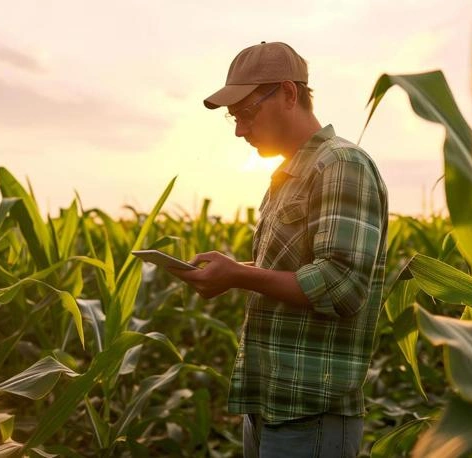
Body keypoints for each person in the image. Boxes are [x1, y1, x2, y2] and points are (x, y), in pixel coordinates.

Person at [168, 41, 389, 457]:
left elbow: (340, 284)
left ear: (289, 93)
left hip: (311, 413)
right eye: (234, 118)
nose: (239, 129)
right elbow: (291, 270)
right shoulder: (290, 173)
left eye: (247, 113)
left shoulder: (341, 164)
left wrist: (238, 274)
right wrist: (232, 270)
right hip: (271, 406)